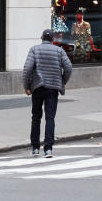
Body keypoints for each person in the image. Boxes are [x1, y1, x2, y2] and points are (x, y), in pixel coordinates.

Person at [23, 28, 73, 158]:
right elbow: (68, 67)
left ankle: (35, 148)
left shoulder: (34, 49)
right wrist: (62, 81)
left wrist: (27, 86)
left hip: (38, 87)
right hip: (52, 88)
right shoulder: (59, 51)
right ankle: (48, 149)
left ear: (41, 38)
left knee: (36, 117)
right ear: (52, 39)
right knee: (50, 118)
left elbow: (27, 68)